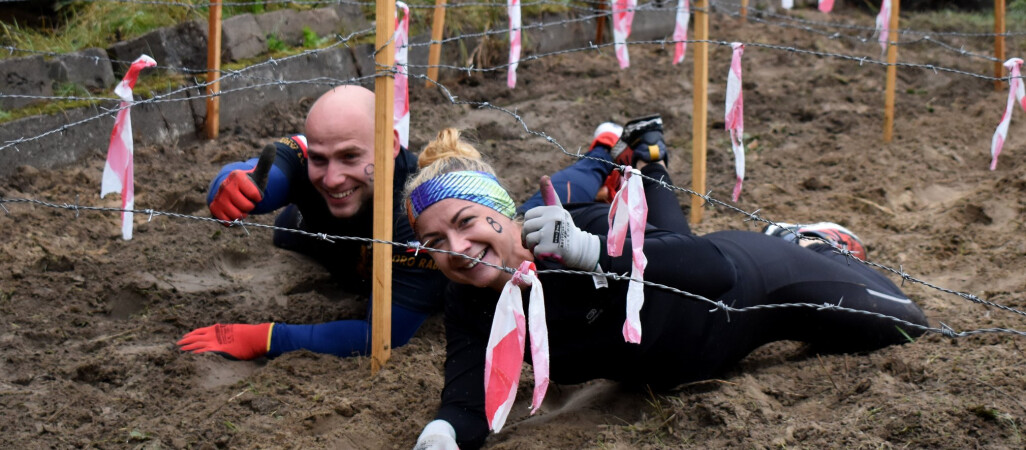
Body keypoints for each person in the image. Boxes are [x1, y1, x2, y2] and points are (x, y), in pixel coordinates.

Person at [404, 124, 930, 449]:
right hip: (671, 366)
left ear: (504, 213)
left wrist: (592, 251)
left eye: (466, 220)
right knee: (662, 236)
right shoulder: (469, 299)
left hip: (749, 295)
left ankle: (808, 244)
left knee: (906, 327)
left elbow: (708, 267)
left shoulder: (576, 225)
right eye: (434, 240)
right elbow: (467, 406)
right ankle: (652, 163)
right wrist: (439, 437)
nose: (455, 245)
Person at [176, 84, 630, 360]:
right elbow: (263, 176)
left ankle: (601, 152)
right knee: (284, 232)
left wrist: (265, 337)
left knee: (541, 208)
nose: (332, 177)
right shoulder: (307, 159)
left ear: (389, 144)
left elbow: (381, 334)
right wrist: (227, 186)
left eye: (351, 157)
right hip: (326, 243)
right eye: (320, 158)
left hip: (394, 265)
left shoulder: (425, 223)